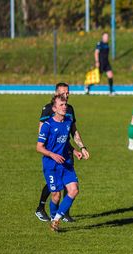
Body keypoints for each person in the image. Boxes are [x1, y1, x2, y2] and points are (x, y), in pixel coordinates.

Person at [35, 83, 89, 222]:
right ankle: (42, 208)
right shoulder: (48, 111)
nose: (67, 95)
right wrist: (51, 152)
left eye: (68, 92)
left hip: (66, 151)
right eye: (64, 93)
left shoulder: (69, 111)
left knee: (70, 186)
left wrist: (80, 148)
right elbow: (42, 137)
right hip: (52, 155)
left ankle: (62, 214)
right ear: (57, 94)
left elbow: (71, 133)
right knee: (55, 190)